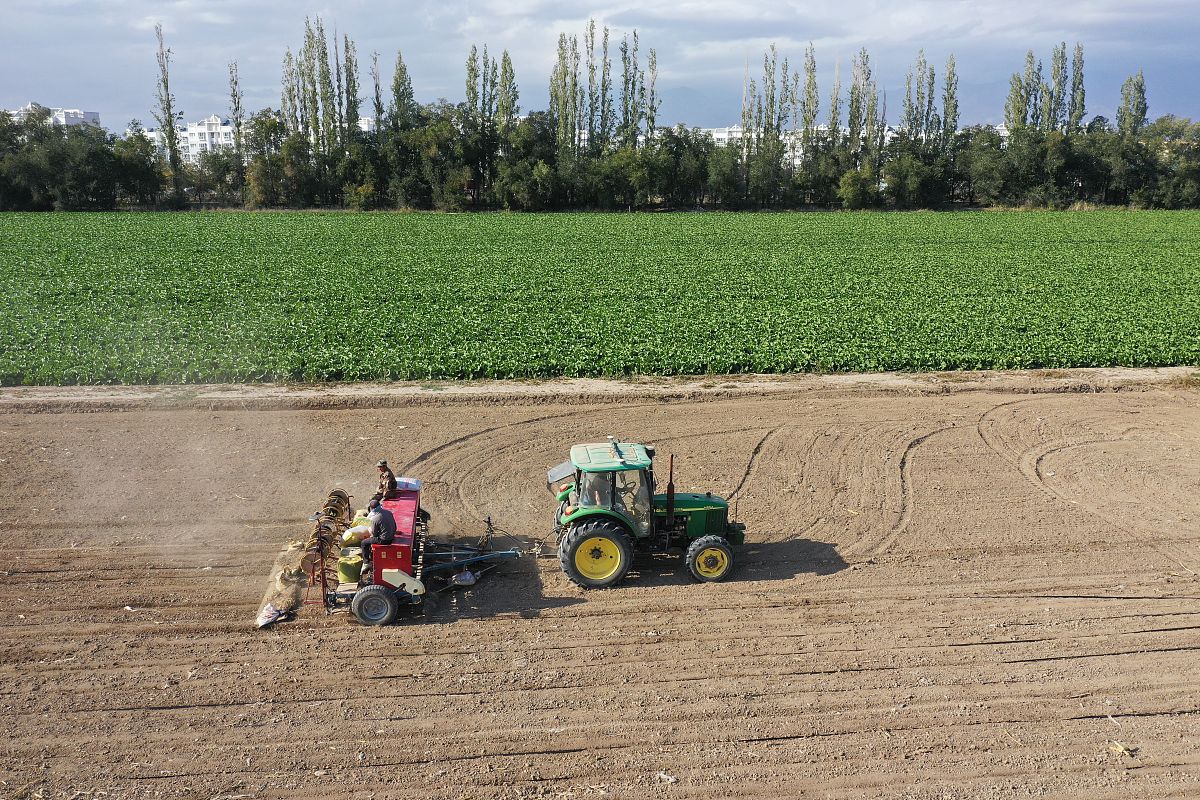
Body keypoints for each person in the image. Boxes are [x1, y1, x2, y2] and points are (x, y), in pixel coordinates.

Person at [359, 498, 397, 567]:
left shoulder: (375, 519)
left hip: (384, 540)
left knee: (364, 543)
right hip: (392, 535)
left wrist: (370, 531)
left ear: (372, 509)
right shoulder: (388, 512)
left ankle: (366, 562)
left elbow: (374, 534)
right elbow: (394, 525)